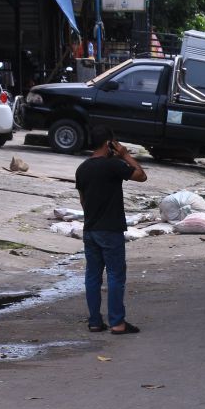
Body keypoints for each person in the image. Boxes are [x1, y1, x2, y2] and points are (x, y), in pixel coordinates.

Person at [76, 126, 147, 335]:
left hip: (90, 229)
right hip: (110, 229)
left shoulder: (82, 168)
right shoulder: (114, 165)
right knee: (115, 275)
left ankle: (95, 322)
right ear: (109, 143)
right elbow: (141, 176)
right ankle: (117, 322)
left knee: (92, 276)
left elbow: (82, 200)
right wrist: (125, 155)